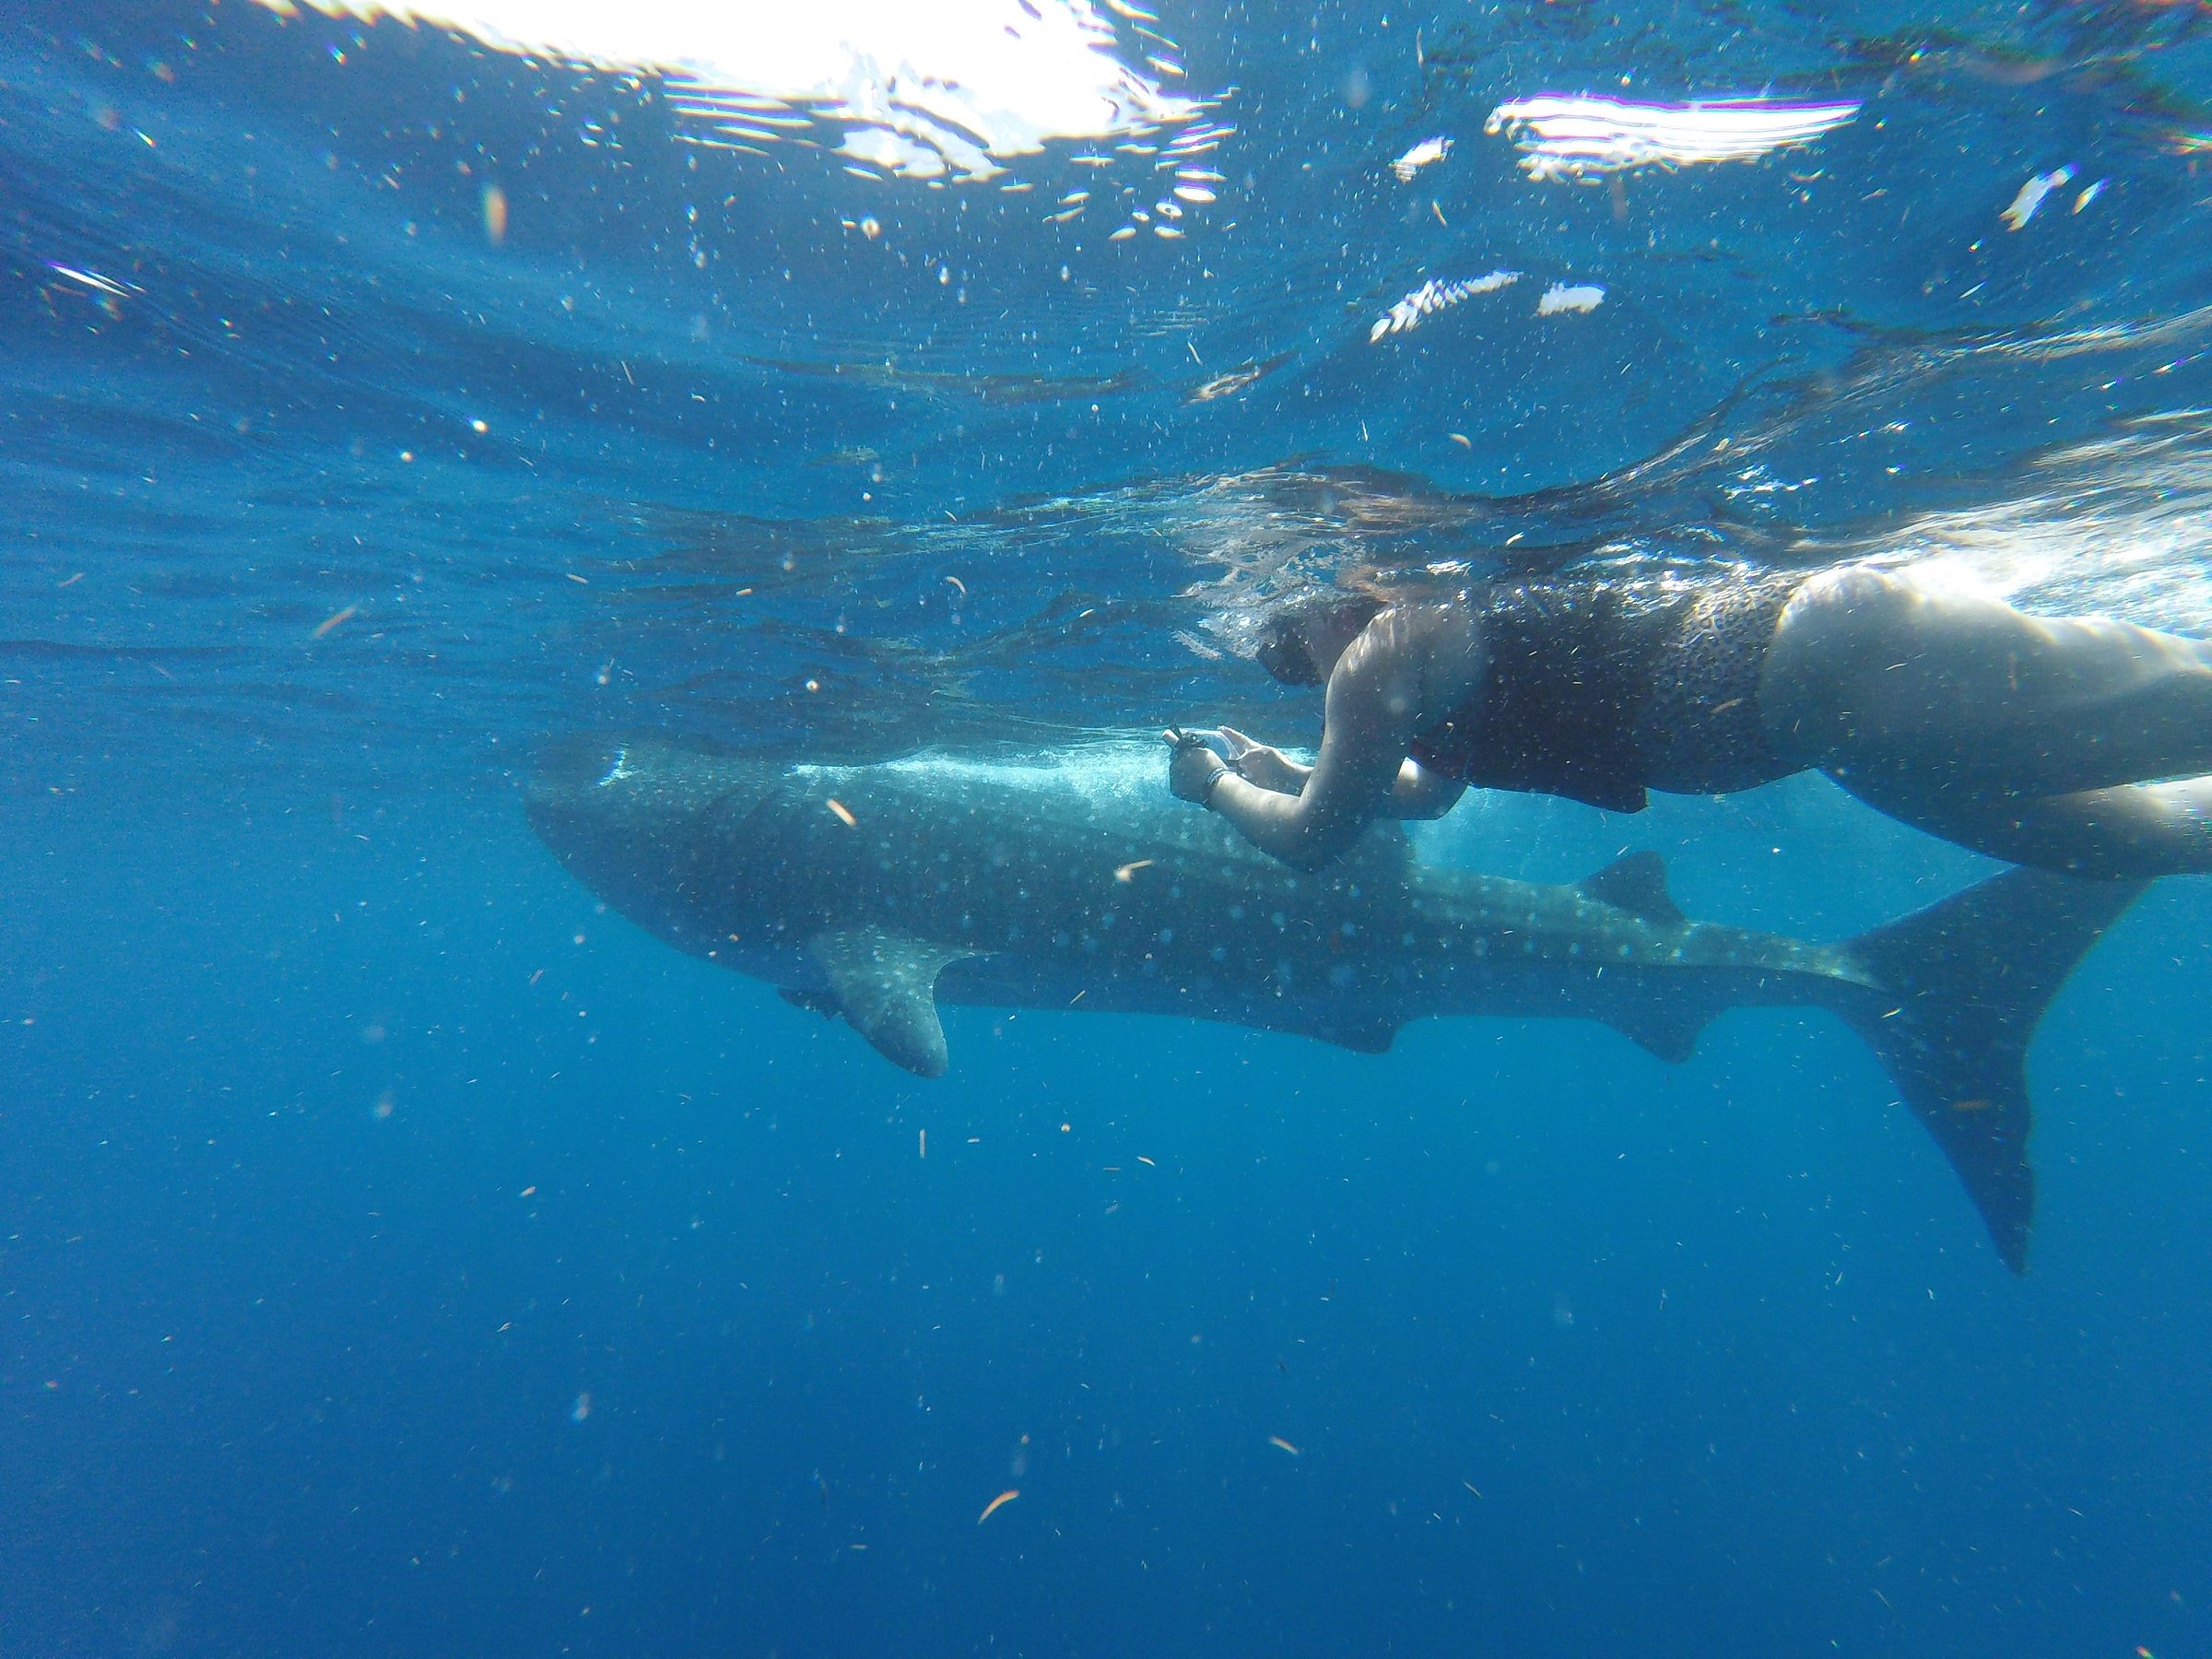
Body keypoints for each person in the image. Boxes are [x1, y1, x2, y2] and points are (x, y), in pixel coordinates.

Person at [1165, 562, 2212, 878]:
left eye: (1279, 654)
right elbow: (1429, 798)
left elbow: (1312, 846)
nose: (1294, 675)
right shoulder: (1404, 669)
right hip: (1824, 719)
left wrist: (1219, 790)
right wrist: (1292, 772)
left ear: (1307, 608)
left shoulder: (1377, 660)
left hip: (1829, 668)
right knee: (2146, 839)